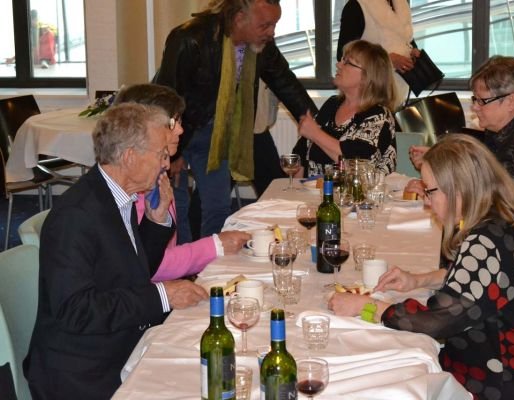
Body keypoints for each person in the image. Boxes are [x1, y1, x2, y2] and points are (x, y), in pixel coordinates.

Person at [329, 133, 514, 399]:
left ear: (458, 190)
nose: (426, 201)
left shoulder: (488, 242)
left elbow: (436, 322)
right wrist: (420, 280)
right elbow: (483, 282)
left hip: (507, 383)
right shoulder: (502, 220)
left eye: (430, 191)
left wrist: (366, 306)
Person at [24, 103, 208, 400]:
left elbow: (126, 272)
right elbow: (76, 310)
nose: (166, 163)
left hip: (117, 343)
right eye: (161, 153)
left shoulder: (117, 196)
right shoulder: (75, 216)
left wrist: (155, 222)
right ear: (130, 157)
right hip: (83, 371)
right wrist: (162, 296)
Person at [153, 0, 318, 236]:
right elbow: (166, 96)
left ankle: (212, 255)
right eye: (265, 25)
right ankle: (181, 258)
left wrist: (318, 124)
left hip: (217, 132)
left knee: (218, 207)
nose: (271, 32)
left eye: (274, 25)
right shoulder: (190, 39)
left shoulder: (261, 46)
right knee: (175, 208)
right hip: (175, 130)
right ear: (239, 18)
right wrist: (172, 152)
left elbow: (285, 82)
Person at [113, 83, 250, 282]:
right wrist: (216, 246)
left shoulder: (158, 173)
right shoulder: (133, 183)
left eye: (179, 121)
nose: (180, 130)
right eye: (172, 123)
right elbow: (147, 265)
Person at [408, 56, 514, 216]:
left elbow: (488, 205)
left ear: (510, 102)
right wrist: (438, 164)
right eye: (475, 99)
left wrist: (433, 193)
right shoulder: (506, 133)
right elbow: (478, 174)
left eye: (482, 101)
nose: (475, 107)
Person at [292, 39, 397, 177]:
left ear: (367, 76)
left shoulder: (379, 116)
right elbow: (299, 157)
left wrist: (315, 134)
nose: (338, 64)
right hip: (315, 190)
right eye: (342, 59)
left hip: (361, 191)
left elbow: (358, 165)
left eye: (347, 62)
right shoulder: (332, 105)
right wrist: (295, 188)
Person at [337, 0, 421, 106]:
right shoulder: (357, 6)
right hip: (367, 93)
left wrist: (413, 50)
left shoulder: (401, 5)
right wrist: (386, 60)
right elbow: (343, 54)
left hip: (399, 92)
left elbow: (406, 39)